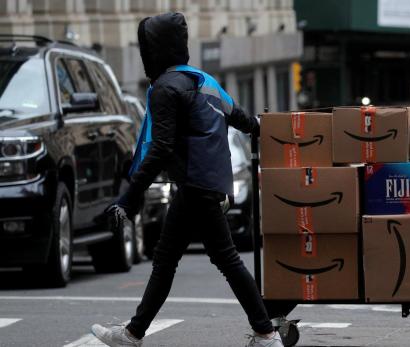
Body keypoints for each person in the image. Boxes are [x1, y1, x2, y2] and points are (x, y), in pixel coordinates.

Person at [90, 13, 282, 347]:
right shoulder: (204, 80)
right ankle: (134, 333)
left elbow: (161, 147)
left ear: (156, 50)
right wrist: (261, 127)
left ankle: (266, 332)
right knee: (177, 258)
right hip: (210, 183)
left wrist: (129, 196)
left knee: (214, 259)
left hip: (195, 185)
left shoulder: (165, 88)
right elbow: (239, 117)